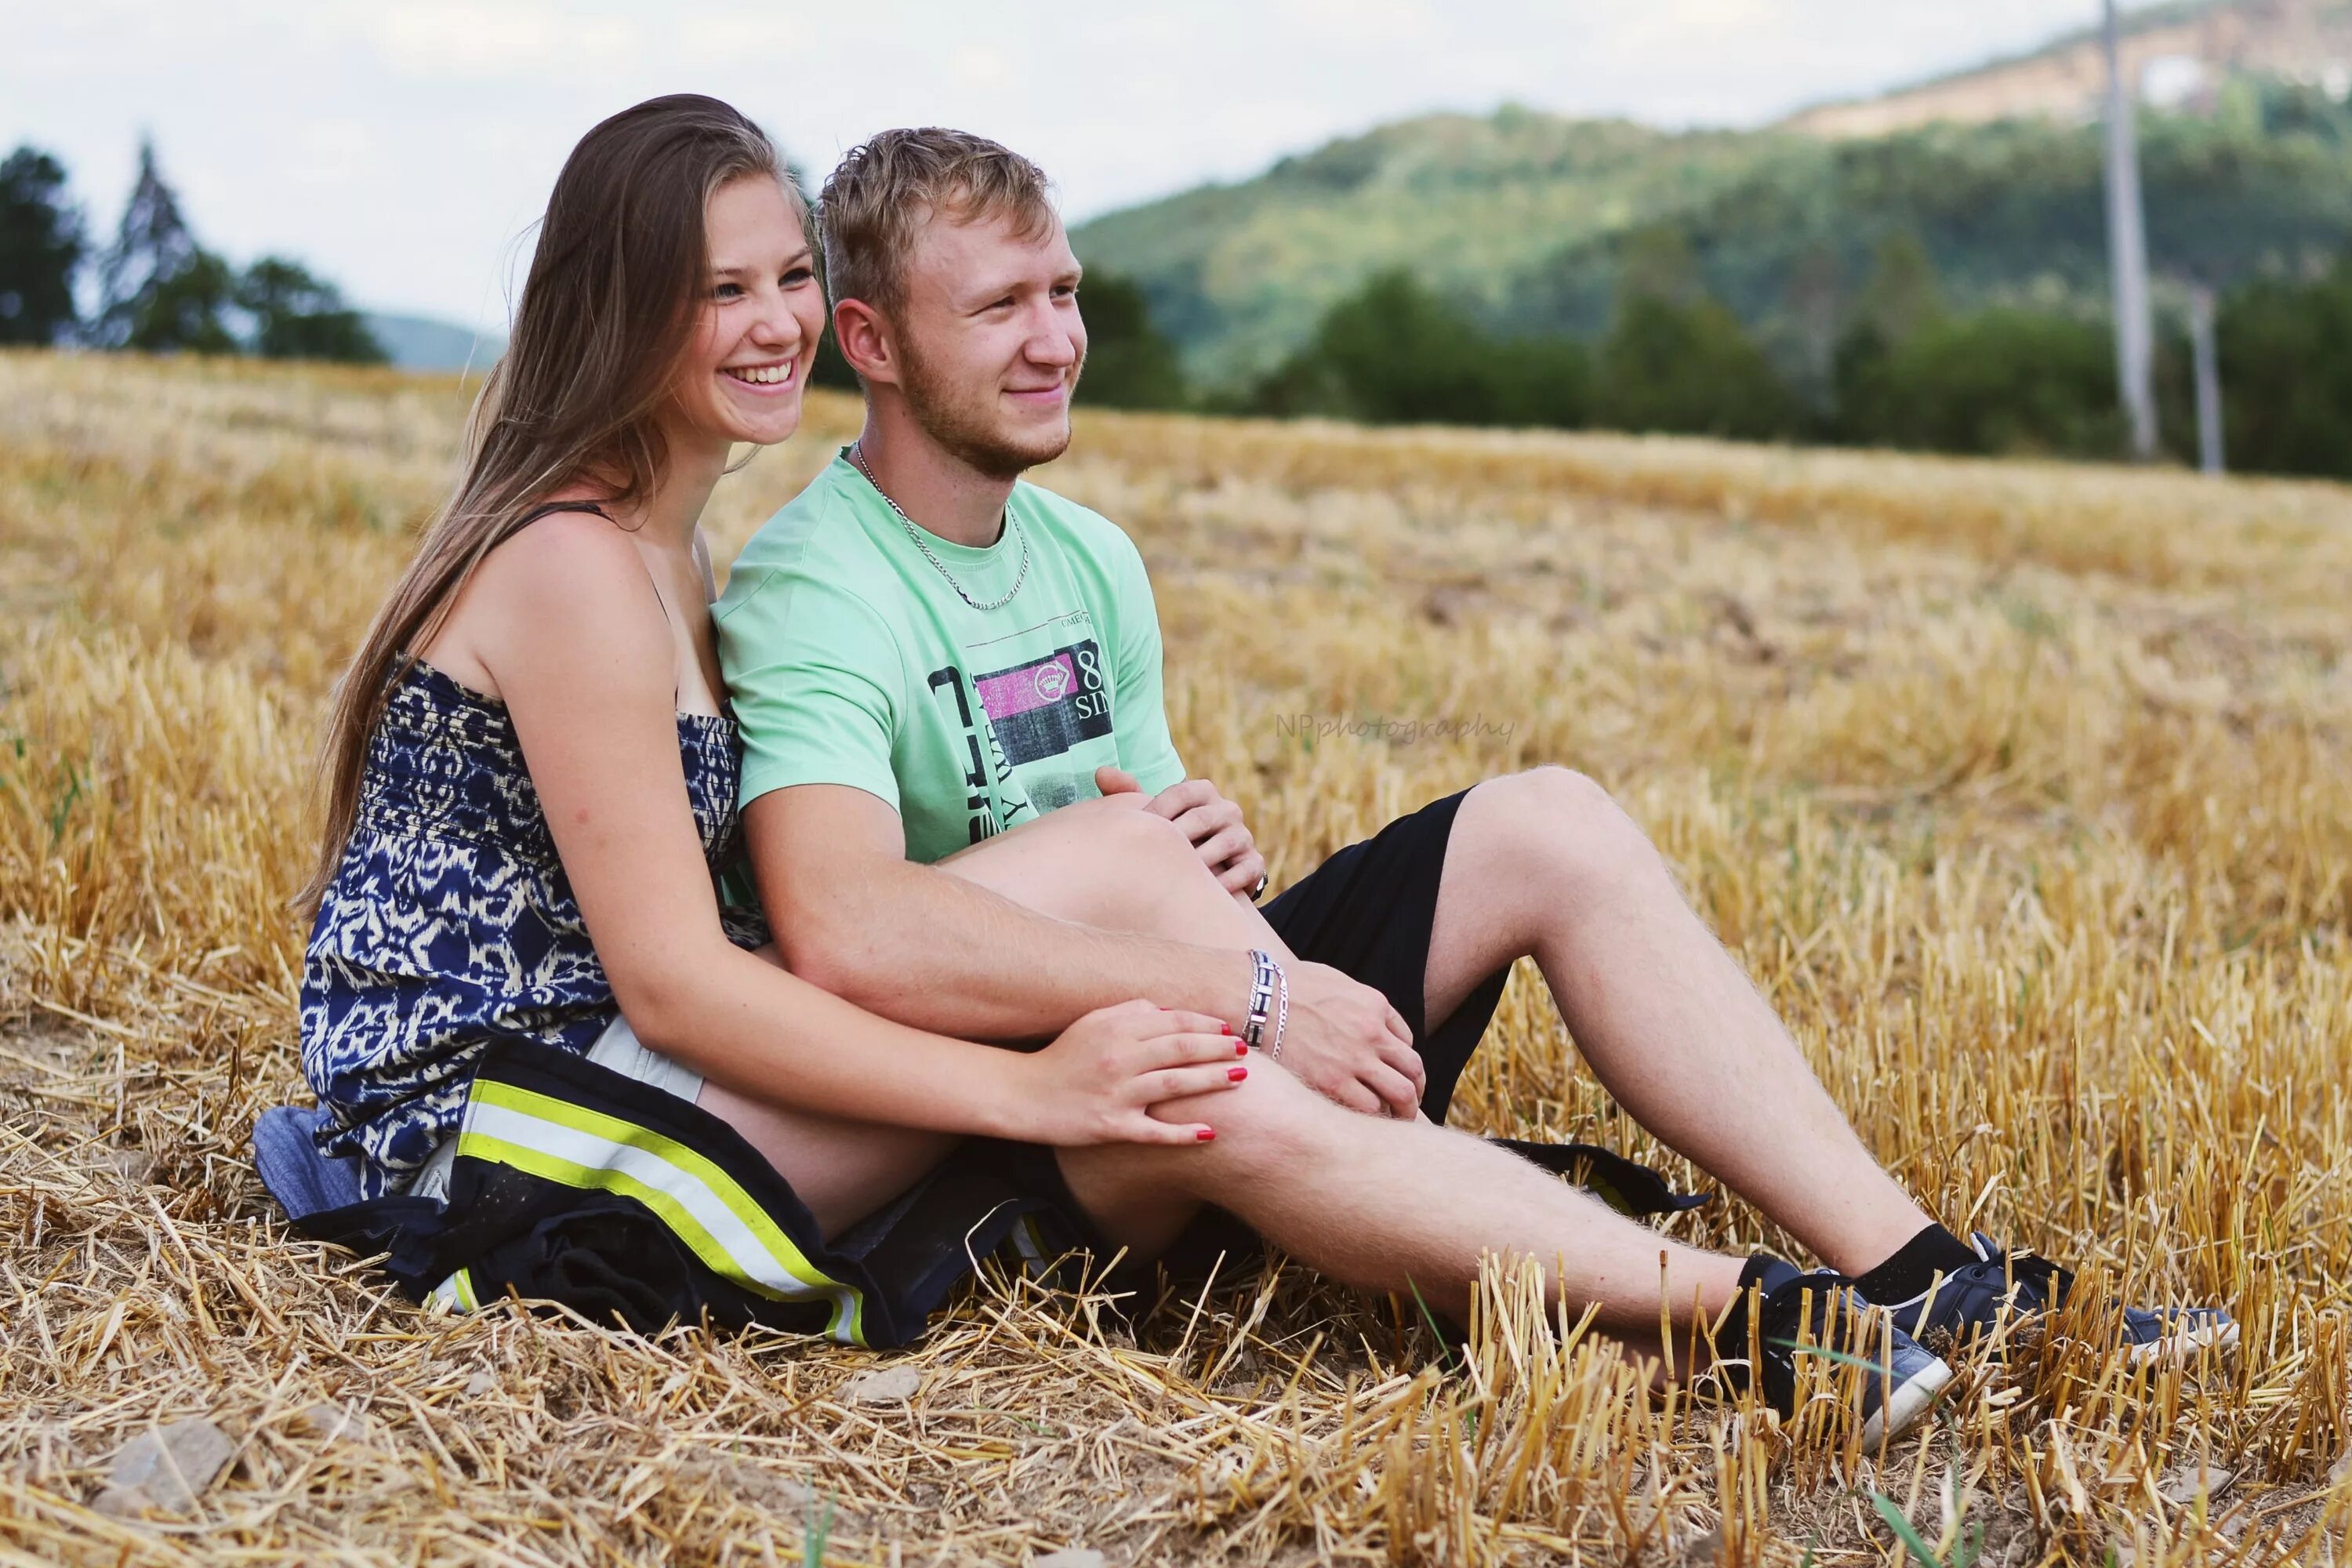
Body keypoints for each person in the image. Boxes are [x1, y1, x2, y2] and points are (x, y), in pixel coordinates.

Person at [706, 127, 2237, 1419]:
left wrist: (1208, 852)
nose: (1056, 338)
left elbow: (1139, 837)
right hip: (1022, 1114)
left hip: (1176, 1000)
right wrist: (1245, 993)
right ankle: (1725, 1315)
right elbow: (849, 934)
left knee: (1548, 822)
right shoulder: (814, 587)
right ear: (874, 343)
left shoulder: (1088, 556)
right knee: (1243, 1032)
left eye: (1066, 291)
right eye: (1001, 308)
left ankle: (1920, 1273)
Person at [277, 96, 1257, 1349]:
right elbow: (679, 990)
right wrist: (1026, 1091)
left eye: (792, 275)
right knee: (1041, 1009)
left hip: (602, 1067)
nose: (780, 322)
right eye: (720, 290)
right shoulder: (573, 566)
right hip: (482, 1146)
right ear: (620, 309)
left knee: (1029, 956)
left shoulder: (669, 548)